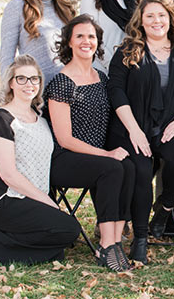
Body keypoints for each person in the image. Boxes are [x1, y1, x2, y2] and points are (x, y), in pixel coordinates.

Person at [107, 0, 174, 264]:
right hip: (133, 126)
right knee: (142, 169)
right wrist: (134, 131)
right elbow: (116, 90)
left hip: (170, 125)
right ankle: (141, 238)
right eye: (150, 16)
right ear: (141, 21)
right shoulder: (128, 51)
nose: (156, 21)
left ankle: (165, 208)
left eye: (161, 15)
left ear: (170, 19)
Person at [45, 16, 135, 272]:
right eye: (80, 36)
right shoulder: (62, 82)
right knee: (112, 167)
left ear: (98, 42)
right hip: (64, 159)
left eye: (91, 36)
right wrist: (106, 154)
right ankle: (106, 246)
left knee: (128, 166)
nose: (86, 41)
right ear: (69, 42)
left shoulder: (101, 78)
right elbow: (64, 139)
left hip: (96, 158)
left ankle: (115, 240)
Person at [0, 55, 80, 266]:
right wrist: (47, 201)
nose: (29, 84)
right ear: (11, 83)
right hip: (4, 198)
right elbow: (9, 175)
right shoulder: (1, 119)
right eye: (21, 78)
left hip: (31, 198)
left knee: (65, 237)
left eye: (34, 79)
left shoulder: (41, 120)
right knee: (69, 230)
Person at [0, 0, 76, 85]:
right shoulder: (18, 7)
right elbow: (7, 57)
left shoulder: (65, 10)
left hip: (66, 90)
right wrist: (8, 90)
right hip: (34, 89)